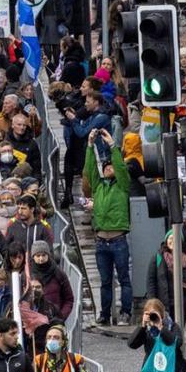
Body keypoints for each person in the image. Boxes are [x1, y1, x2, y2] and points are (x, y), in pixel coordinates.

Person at [83, 128, 132, 325]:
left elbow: (121, 167)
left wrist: (112, 146)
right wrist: (89, 145)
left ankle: (126, 312)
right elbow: (90, 169)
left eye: (111, 166)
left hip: (119, 240)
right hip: (101, 241)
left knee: (123, 279)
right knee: (105, 282)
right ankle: (104, 313)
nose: (108, 168)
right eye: (106, 166)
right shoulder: (98, 187)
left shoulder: (122, 186)